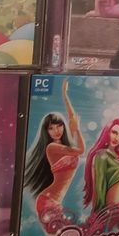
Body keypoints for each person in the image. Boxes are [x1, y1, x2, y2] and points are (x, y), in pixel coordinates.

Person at [24, 79, 84, 223]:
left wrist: (64, 95)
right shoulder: (52, 148)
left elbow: (72, 118)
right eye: (51, 128)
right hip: (48, 201)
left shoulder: (65, 146)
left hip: (55, 202)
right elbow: (81, 150)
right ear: (46, 132)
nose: (56, 131)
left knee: (65, 234)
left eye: (59, 126)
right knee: (63, 234)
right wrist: (77, 130)